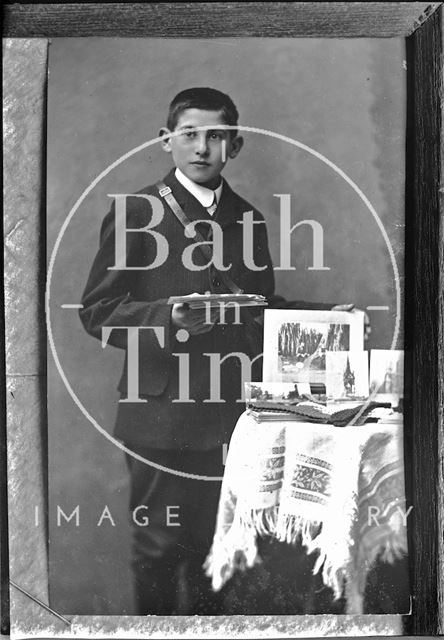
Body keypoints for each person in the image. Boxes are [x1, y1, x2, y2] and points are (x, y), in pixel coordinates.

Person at [79, 87, 355, 615]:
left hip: (231, 417)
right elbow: (97, 310)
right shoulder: (137, 212)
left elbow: (257, 307)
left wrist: (319, 316)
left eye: (216, 136)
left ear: (236, 145)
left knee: (218, 552)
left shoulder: (248, 219)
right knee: (158, 549)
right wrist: (168, 317)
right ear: (166, 141)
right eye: (189, 135)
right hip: (159, 411)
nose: (202, 147)